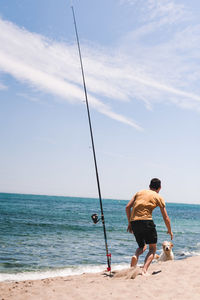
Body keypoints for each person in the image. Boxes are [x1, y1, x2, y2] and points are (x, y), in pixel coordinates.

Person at [126, 178, 173, 275]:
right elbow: (166, 217)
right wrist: (169, 230)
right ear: (160, 188)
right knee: (152, 249)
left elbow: (127, 207)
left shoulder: (139, 192)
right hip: (147, 221)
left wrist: (130, 223)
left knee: (142, 246)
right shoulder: (158, 196)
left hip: (134, 222)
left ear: (149, 186)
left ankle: (136, 255)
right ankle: (144, 270)